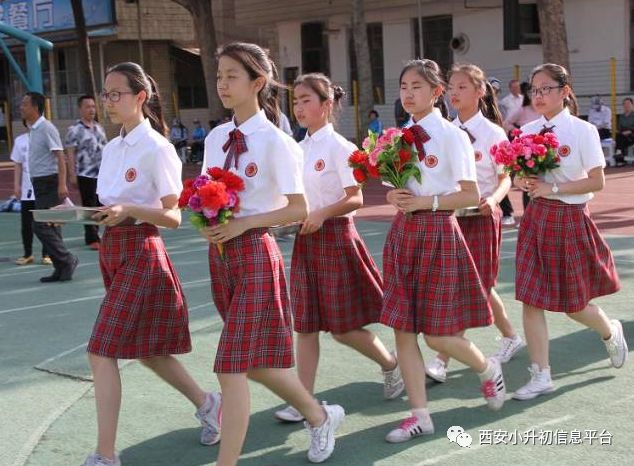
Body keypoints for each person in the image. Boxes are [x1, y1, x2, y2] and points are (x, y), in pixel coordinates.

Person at [201, 42, 345, 465]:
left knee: (229, 365)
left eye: (231, 76)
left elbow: (298, 207)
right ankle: (319, 416)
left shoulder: (277, 142)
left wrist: (244, 223)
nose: (222, 84)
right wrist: (207, 222)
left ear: (257, 82)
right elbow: (210, 196)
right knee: (257, 363)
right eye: (219, 75)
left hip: (256, 257)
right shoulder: (215, 137)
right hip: (222, 256)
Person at [82, 62, 221, 466]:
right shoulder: (112, 147)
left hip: (142, 250)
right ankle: (209, 403)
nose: (108, 101)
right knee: (148, 350)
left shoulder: (157, 147)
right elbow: (112, 204)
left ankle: (105, 455)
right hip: (114, 249)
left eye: (116, 94)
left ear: (140, 97)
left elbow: (174, 216)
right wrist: (88, 212)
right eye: (105, 94)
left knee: (100, 350)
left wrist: (129, 209)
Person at [380, 59, 506, 444]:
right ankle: (420, 415)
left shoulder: (453, 137)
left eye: (416, 86)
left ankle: (487, 368)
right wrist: (393, 194)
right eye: (403, 86)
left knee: (437, 336)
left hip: (437, 234)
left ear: (436, 93)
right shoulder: (399, 136)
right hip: (404, 235)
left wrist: (427, 203)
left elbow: (469, 193)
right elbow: (396, 186)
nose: (408, 93)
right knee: (402, 328)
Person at [273, 72, 404, 423]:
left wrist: (322, 213)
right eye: (296, 101)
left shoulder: (341, 148)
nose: (299, 107)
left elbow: (356, 198)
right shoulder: (297, 149)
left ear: (327, 105)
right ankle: (302, 400)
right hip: (307, 241)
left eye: (306, 100)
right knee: (306, 326)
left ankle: (392, 364)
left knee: (344, 329)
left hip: (335, 239)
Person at [513, 63, 627, 401]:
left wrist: (555, 189)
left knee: (573, 304)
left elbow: (597, 180)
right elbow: (518, 175)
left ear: (564, 91)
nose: (538, 95)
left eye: (546, 88)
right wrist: (524, 180)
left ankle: (609, 331)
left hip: (570, 218)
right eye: (534, 89)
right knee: (530, 299)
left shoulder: (582, 131)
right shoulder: (527, 129)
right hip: (536, 218)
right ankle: (541, 374)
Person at [424, 63, 524, 384]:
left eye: (462, 87)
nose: (454, 93)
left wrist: (494, 199)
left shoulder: (494, 133)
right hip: (451, 217)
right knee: (473, 285)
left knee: (477, 283)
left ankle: (442, 357)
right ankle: (510, 335)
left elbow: (506, 177)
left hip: (480, 216)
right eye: (451, 86)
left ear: (480, 92)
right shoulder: (444, 131)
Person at [20, 91, 78, 283]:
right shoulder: (34, 129)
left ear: (35, 107)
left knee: (40, 224)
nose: (21, 107)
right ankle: (61, 268)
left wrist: (62, 184)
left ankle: (67, 259)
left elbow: (60, 157)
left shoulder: (46, 128)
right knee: (51, 226)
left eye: (25, 104)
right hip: (40, 183)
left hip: (49, 182)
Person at [65, 95, 108, 250]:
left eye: (93, 107)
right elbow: (70, 153)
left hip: (101, 174)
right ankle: (91, 237)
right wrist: (72, 174)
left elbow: (106, 150)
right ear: (80, 109)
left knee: (100, 204)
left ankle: (99, 232)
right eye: (87, 107)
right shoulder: (74, 130)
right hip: (85, 174)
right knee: (88, 206)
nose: (91, 110)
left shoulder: (99, 128)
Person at [11, 122, 51, 266]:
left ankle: (47, 254)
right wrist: (16, 185)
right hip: (27, 191)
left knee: (45, 222)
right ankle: (28, 254)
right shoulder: (20, 140)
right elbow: (17, 164)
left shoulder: (46, 138)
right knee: (26, 224)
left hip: (43, 189)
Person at [615, 97, 634, 167]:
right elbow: (619, 128)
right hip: (623, 135)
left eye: (628, 103)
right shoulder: (621, 116)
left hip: (632, 135)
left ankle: (619, 158)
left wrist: (630, 131)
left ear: (632, 105)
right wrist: (621, 132)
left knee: (619, 139)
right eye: (624, 104)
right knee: (619, 136)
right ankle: (619, 154)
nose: (626, 105)